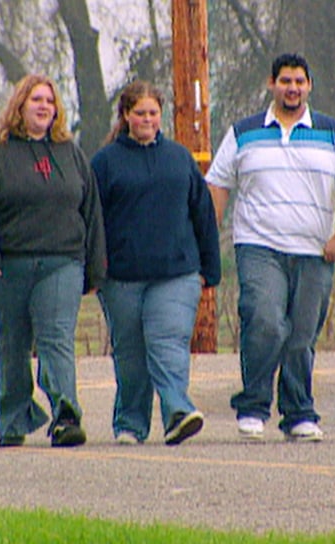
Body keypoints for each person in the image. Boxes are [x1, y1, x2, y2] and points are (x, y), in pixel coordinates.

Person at [206, 53, 335, 442]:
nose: (292, 88)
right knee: (263, 320)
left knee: (300, 336)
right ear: (271, 84)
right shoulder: (243, 132)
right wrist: (209, 238)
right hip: (258, 245)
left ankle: (299, 412)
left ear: (309, 86)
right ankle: (253, 406)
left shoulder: (334, 133)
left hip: (315, 251)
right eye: (285, 81)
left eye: (299, 81)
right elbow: (218, 185)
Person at [0, 73, 106, 448]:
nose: (44, 106)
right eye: (36, 100)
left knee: (56, 337)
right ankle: (12, 420)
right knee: (13, 343)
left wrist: (95, 267)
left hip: (62, 262)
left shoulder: (70, 153)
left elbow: (90, 210)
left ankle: (66, 414)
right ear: (20, 106)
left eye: (49, 100)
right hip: (9, 265)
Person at [91, 80, 221, 446]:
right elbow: (91, 221)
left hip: (176, 273)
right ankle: (130, 424)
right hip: (121, 277)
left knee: (168, 344)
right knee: (131, 355)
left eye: (153, 113)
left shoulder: (180, 159)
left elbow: (203, 215)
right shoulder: (104, 163)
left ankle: (178, 411)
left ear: (161, 116)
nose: (147, 119)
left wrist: (209, 269)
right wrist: (93, 271)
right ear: (126, 116)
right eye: (140, 113)